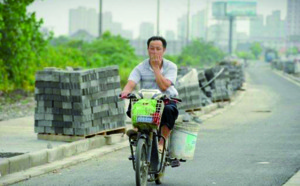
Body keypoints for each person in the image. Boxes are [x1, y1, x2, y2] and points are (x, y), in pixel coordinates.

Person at [121, 36, 179, 152]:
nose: (155, 52)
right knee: (133, 107)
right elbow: (131, 83)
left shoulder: (171, 67)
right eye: (152, 49)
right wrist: (125, 92)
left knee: (168, 111)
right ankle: (138, 131)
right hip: (147, 100)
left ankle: (162, 142)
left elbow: (164, 86)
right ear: (148, 49)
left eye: (158, 49)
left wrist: (156, 68)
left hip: (165, 99)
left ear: (164, 50)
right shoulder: (140, 67)